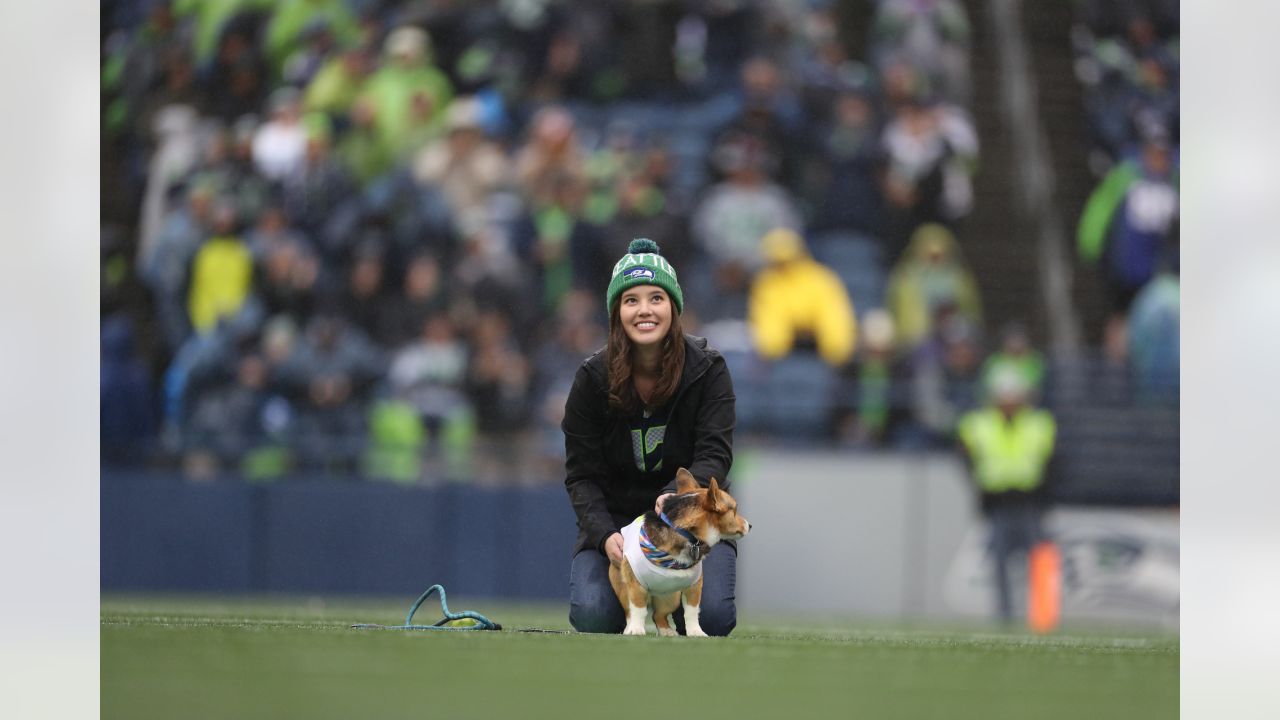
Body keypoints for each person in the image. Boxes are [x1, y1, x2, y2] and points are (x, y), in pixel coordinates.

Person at [563, 238, 737, 636]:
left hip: (689, 522)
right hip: (619, 525)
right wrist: (605, 535)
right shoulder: (591, 380)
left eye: (656, 297)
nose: (644, 310)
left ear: (673, 307)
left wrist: (677, 500)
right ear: (616, 312)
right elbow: (581, 475)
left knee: (713, 619)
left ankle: (673, 606)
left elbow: (715, 455)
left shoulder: (709, 370)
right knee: (595, 618)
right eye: (631, 300)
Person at [956, 368, 1057, 623]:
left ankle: (1043, 616)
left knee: (1040, 558)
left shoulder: (1038, 423)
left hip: (1029, 499)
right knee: (1000, 560)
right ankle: (1005, 616)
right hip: (998, 500)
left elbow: (1052, 461)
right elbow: (965, 453)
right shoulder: (979, 423)